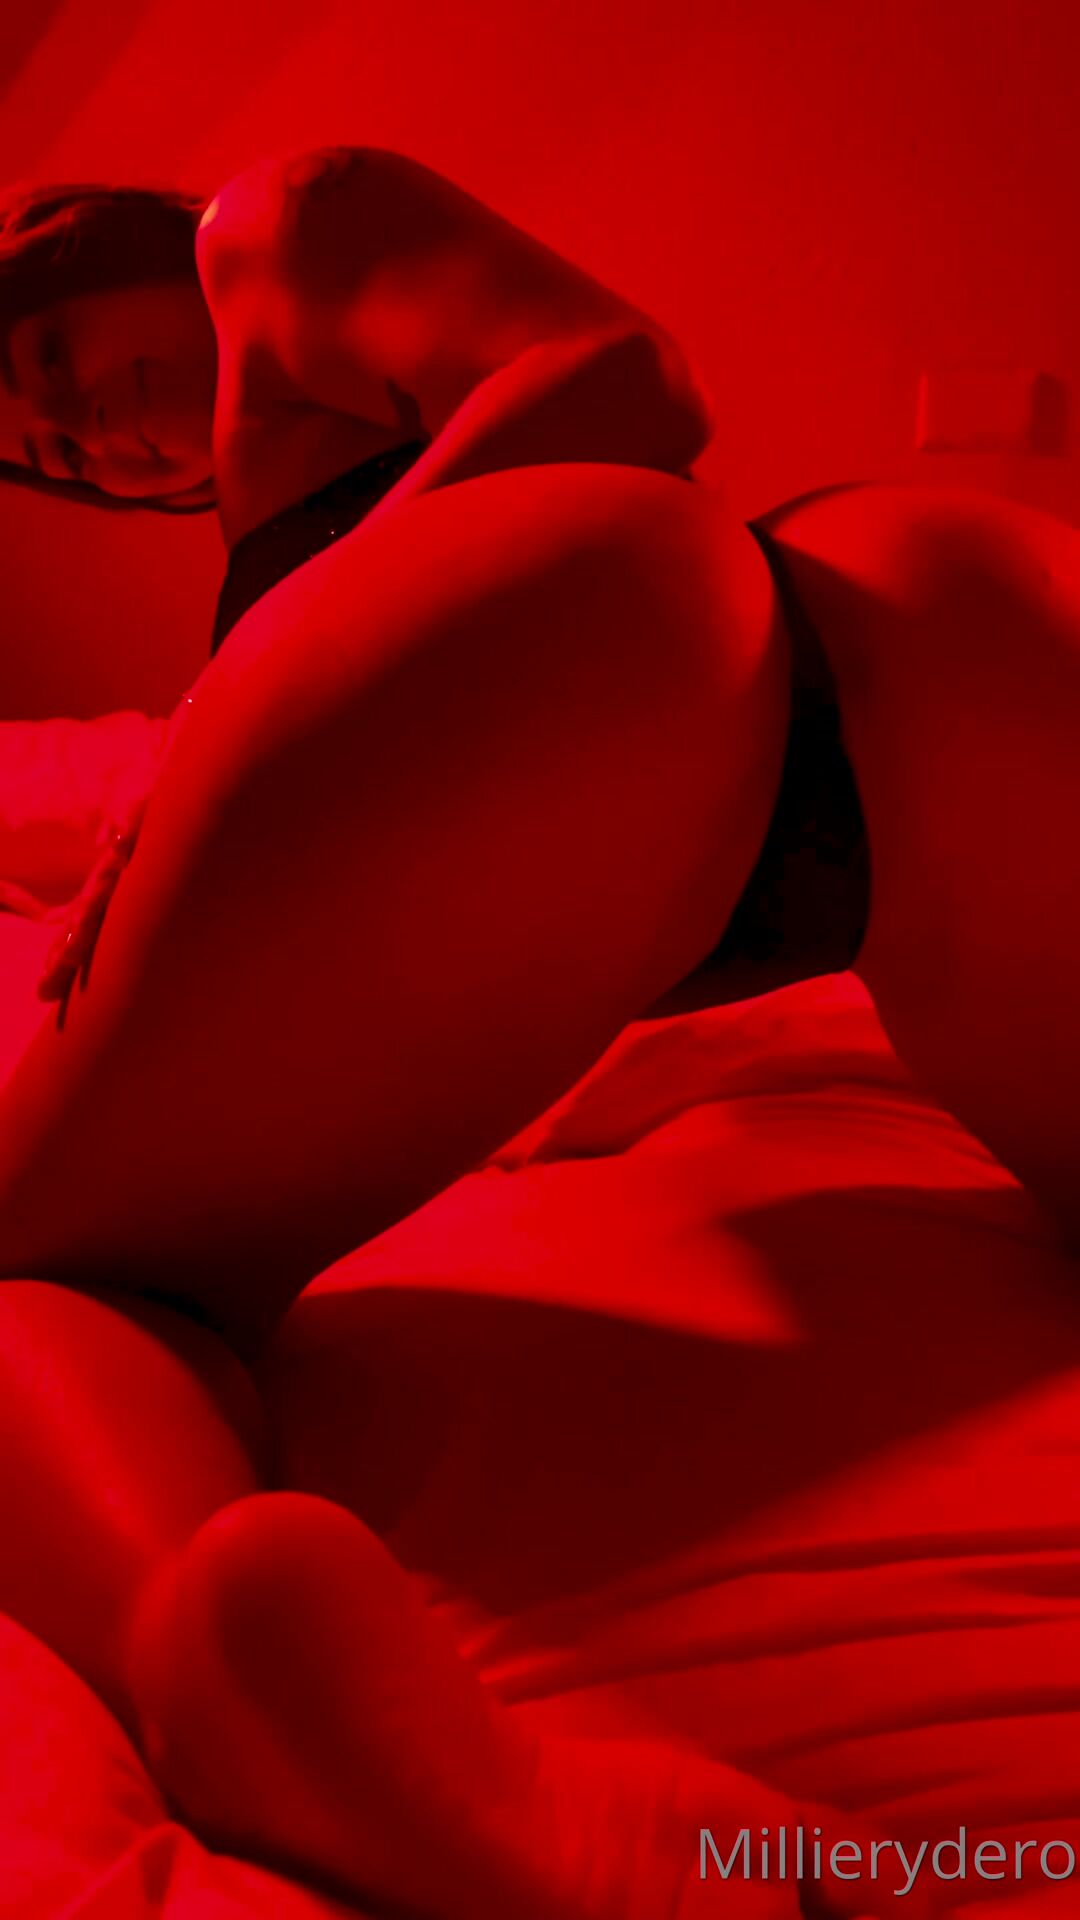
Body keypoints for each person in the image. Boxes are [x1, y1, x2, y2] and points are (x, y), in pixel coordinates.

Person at [0, 148, 1076, 1366]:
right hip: (934, 666)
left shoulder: (257, 232)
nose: (84, 427)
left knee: (59, 1263)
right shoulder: (280, 444)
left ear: (96, 245)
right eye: (58, 457)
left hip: (815, 691)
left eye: (53, 360)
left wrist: (219, 710)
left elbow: (629, 379)